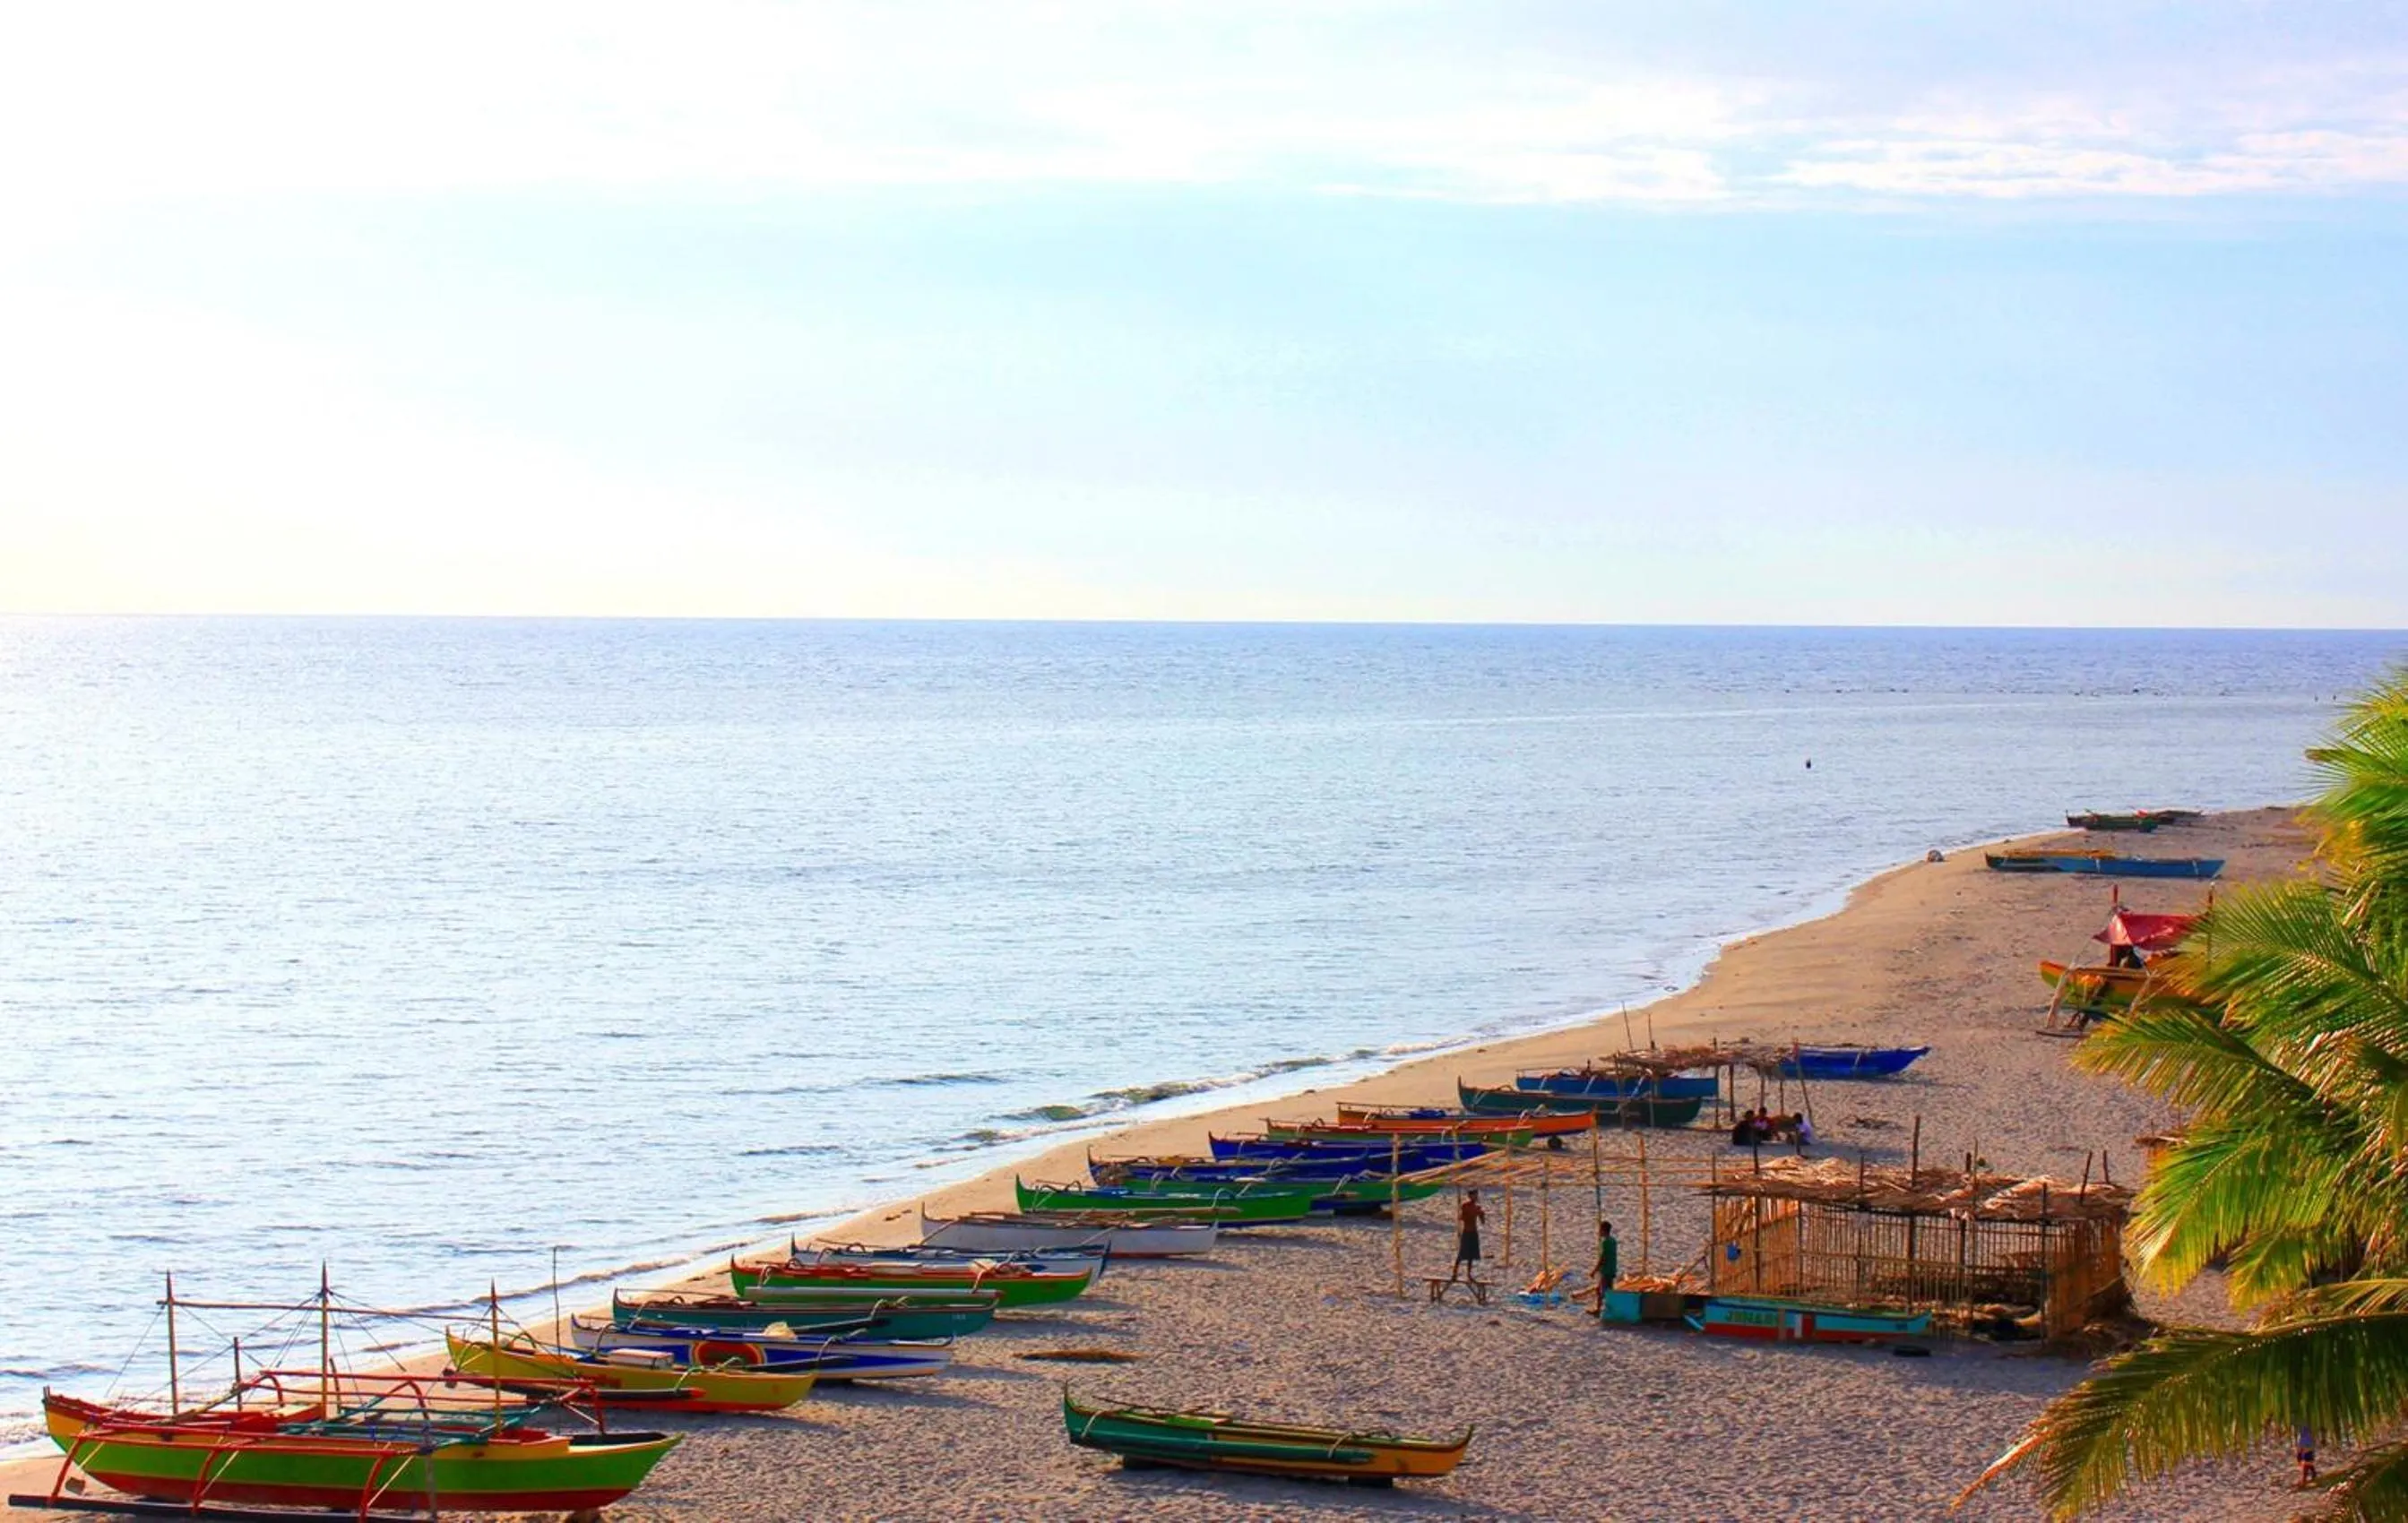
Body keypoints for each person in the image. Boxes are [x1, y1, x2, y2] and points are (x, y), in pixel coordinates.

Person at [1451, 1190, 1486, 1281]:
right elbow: (1463, 1217)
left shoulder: (1477, 1207)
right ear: (1470, 1196)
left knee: (1471, 1255)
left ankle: (1469, 1274)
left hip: (1473, 1232)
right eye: (1474, 1195)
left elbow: (1482, 1221)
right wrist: (1475, 1212)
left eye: (1476, 1195)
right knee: (1462, 1254)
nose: (1476, 1197)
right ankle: (1454, 1273)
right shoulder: (1466, 1206)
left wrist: (1481, 1214)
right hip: (1467, 1231)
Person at [1593, 1219, 1620, 1321]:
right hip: (1612, 1269)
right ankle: (1608, 1309)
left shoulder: (1605, 1242)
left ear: (1603, 1230)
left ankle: (1599, 1309)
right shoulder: (1613, 1241)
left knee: (1601, 1290)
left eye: (1600, 1230)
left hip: (1606, 1270)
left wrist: (1595, 1270)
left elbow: (1603, 1258)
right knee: (1609, 1290)